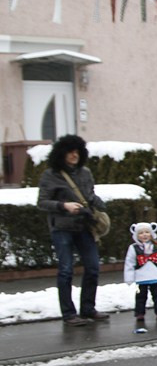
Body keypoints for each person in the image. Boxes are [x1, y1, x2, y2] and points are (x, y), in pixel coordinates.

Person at [36, 134, 109, 326]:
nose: (74, 155)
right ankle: (69, 314)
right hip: (62, 228)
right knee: (66, 270)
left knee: (93, 267)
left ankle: (88, 308)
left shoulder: (85, 173)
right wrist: (63, 206)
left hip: (84, 225)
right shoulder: (50, 175)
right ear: (62, 153)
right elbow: (42, 202)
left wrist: (99, 205)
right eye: (70, 152)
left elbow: (90, 195)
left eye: (77, 152)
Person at [123, 222, 157, 321]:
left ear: (151, 233)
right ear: (136, 235)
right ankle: (139, 313)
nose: (144, 235)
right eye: (141, 233)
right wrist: (129, 277)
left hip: (155, 276)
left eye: (147, 232)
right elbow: (129, 263)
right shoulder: (133, 248)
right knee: (140, 296)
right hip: (141, 277)